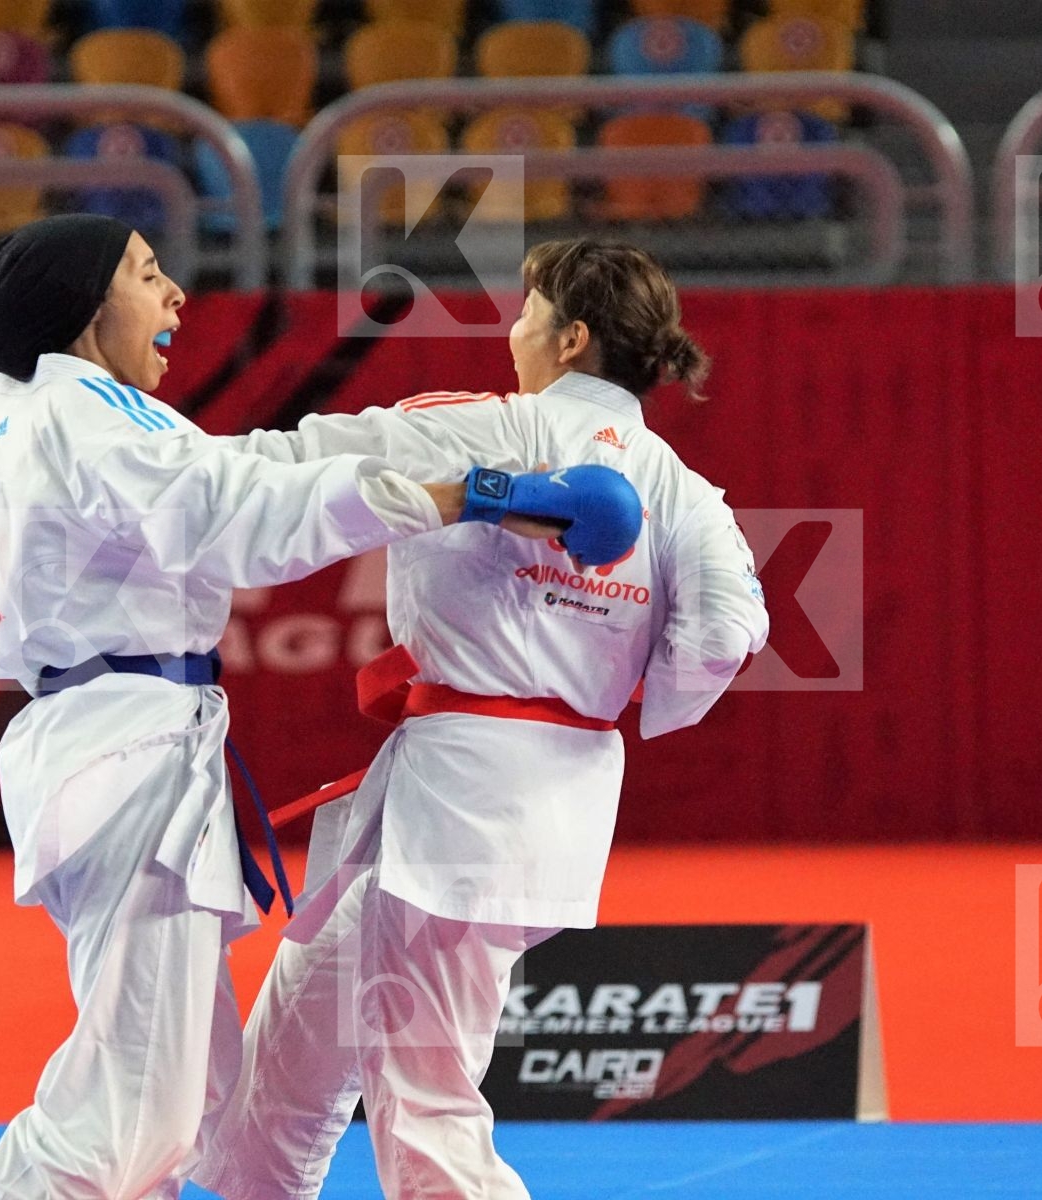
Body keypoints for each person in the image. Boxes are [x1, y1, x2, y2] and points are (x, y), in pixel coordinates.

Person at [0, 215, 643, 1200]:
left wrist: (47, 606)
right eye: (148, 276)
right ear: (80, 310)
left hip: (70, 749)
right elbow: (243, 519)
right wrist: (466, 494)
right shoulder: (98, 416)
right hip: (131, 753)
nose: (175, 299)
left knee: (189, 1100)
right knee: (130, 1114)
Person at [193, 238, 771, 1200]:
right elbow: (723, 635)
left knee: (424, 1101)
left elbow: (294, 459)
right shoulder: (689, 498)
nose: (514, 330)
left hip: (464, 797)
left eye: (528, 310)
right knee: (286, 1064)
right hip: (548, 790)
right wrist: (612, 683)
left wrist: (150, 468)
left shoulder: (472, 430)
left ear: (572, 335)